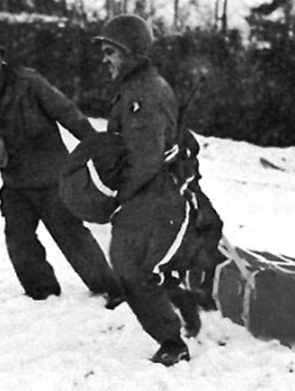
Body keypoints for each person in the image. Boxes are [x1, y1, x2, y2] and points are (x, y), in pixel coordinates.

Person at [0, 32, 123, 307]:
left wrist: (96, 146)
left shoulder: (28, 82)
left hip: (51, 176)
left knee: (70, 235)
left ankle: (110, 288)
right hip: (15, 181)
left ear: (0, 59)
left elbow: (66, 112)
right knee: (19, 240)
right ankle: (41, 292)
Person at [92, 15, 224, 366]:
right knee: (137, 265)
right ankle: (183, 301)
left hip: (154, 192)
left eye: (110, 51)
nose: (105, 59)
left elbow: (147, 159)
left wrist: (116, 198)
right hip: (152, 189)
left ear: (131, 51)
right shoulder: (137, 87)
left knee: (130, 269)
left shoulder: (143, 95)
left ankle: (173, 343)